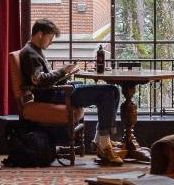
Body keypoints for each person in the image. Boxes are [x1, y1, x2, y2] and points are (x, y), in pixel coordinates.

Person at [16, 19, 142, 164]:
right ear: (39, 34)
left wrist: (66, 74)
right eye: (50, 38)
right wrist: (63, 71)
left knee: (114, 90)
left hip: (59, 92)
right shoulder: (30, 53)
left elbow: (43, 79)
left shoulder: (34, 50)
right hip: (56, 96)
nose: (50, 42)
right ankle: (104, 145)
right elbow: (39, 80)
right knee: (107, 93)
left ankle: (99, 140)